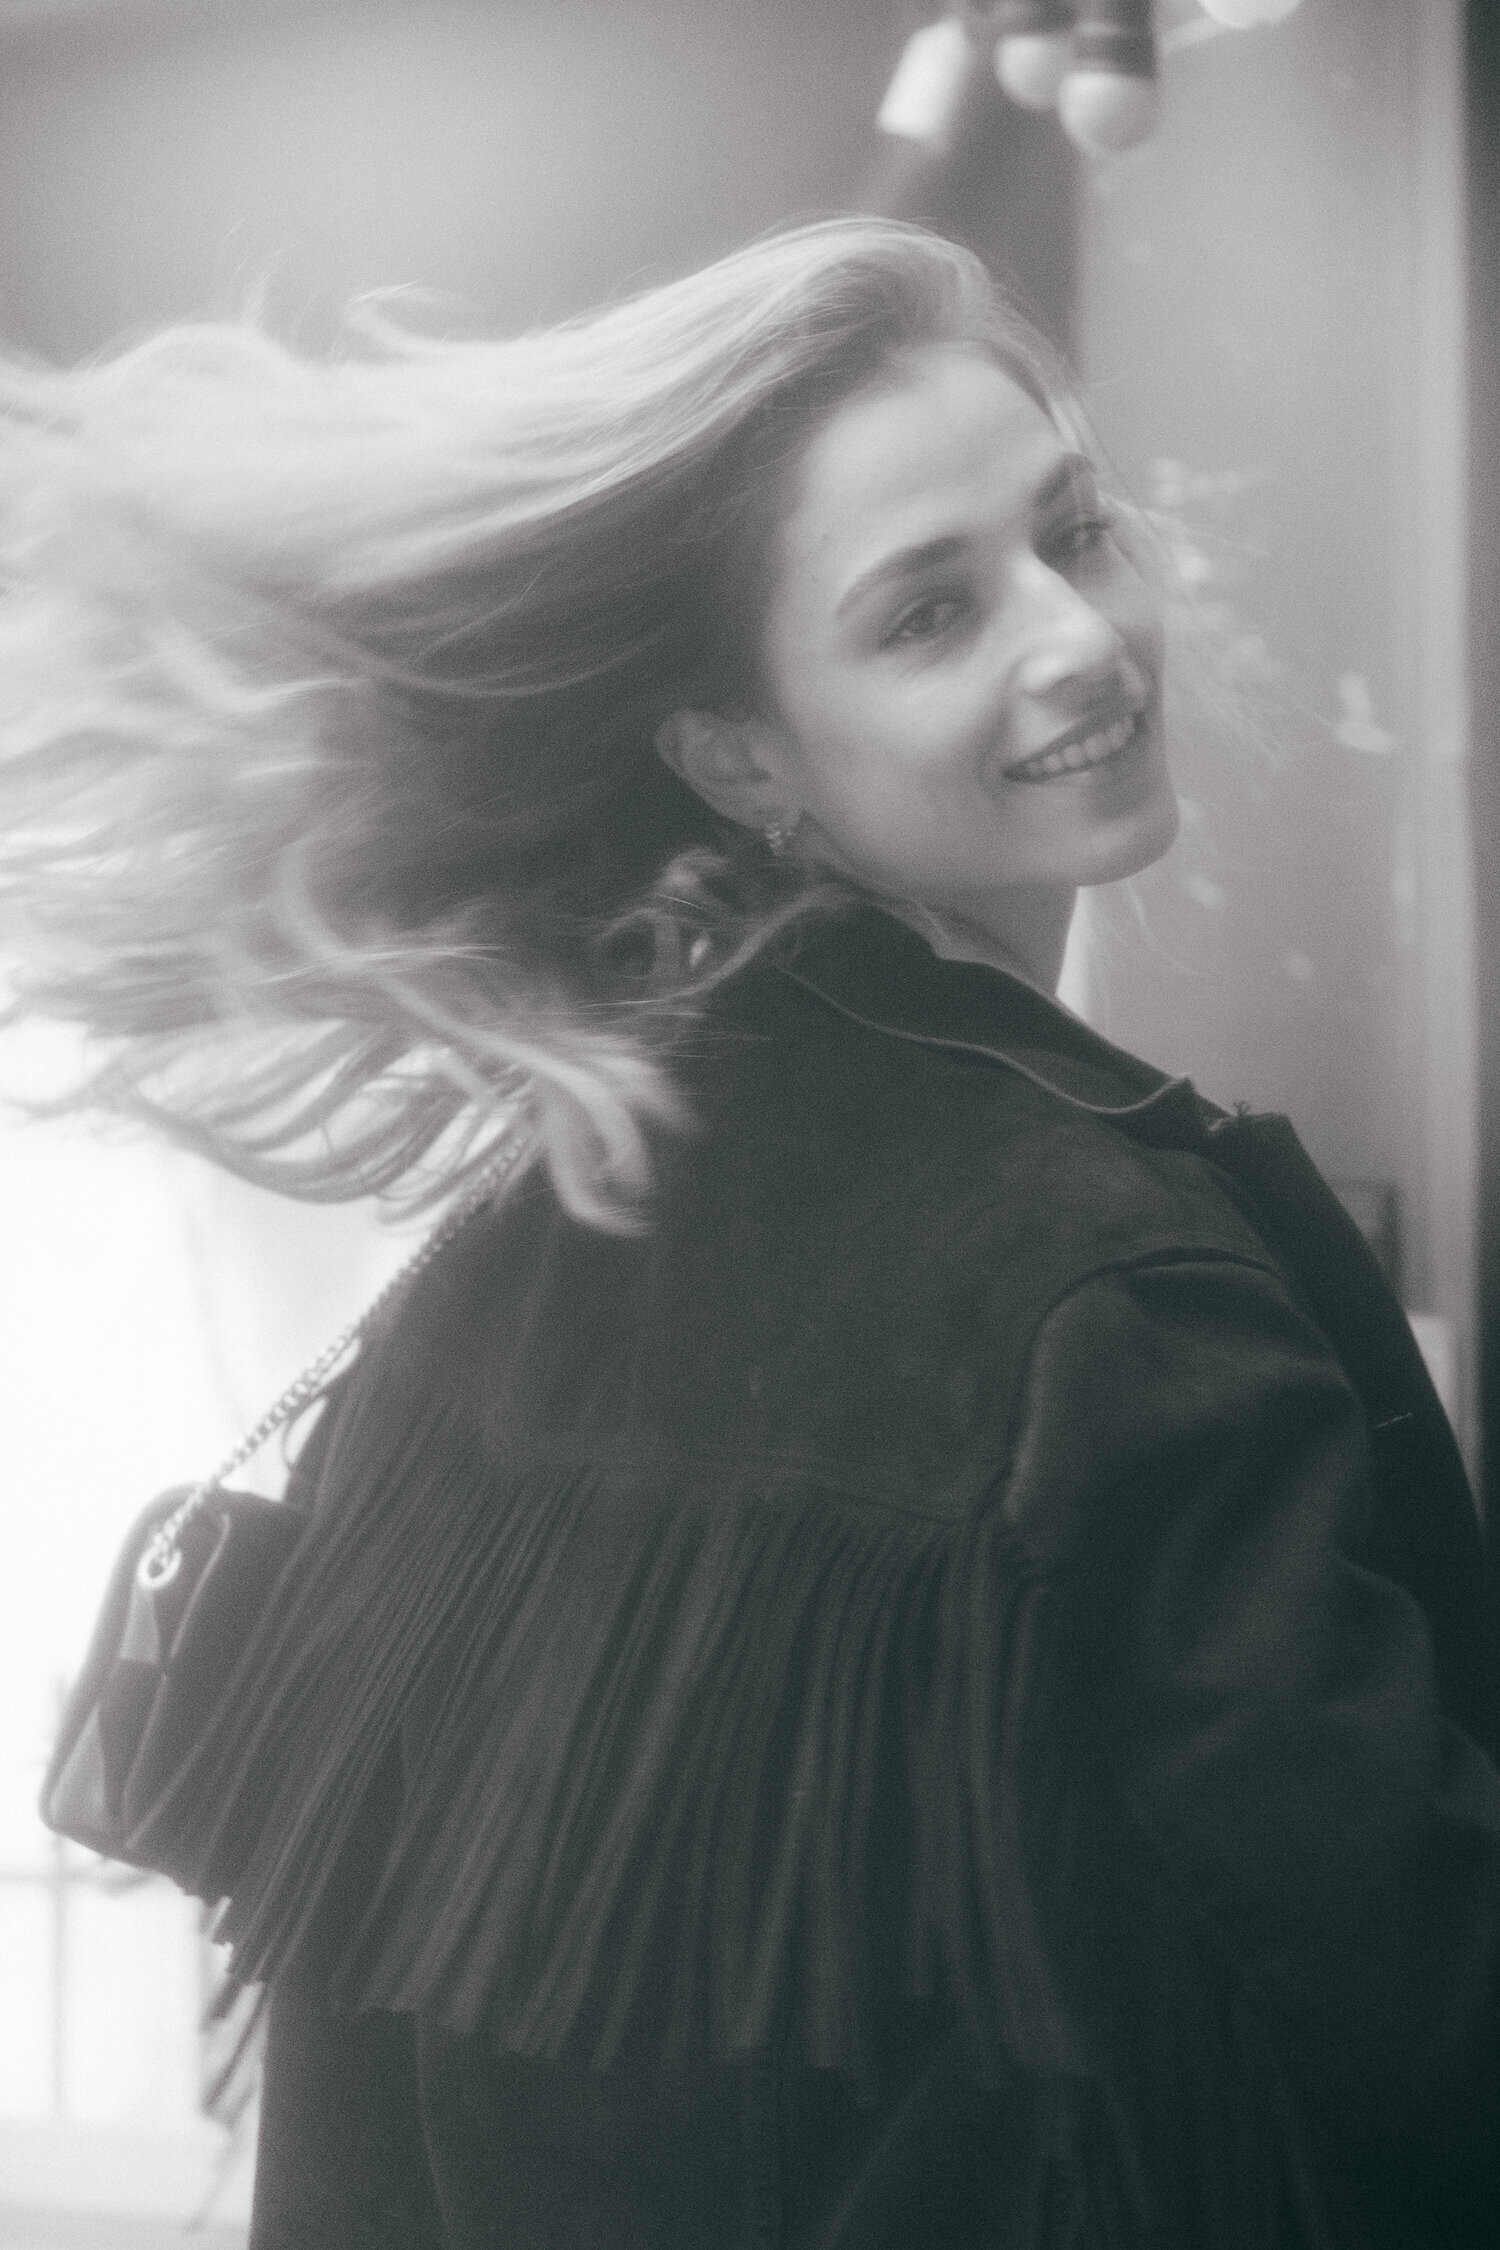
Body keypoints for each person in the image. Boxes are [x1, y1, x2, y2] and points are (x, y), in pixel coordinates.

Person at [3, 218, 1498, 2250]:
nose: (1078, 635)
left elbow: (358, 2110)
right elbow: (1433, 2039)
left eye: (1075, 529)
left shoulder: (535, 1219)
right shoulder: (1115, 1295)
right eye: (928, 611)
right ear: (736, 751)